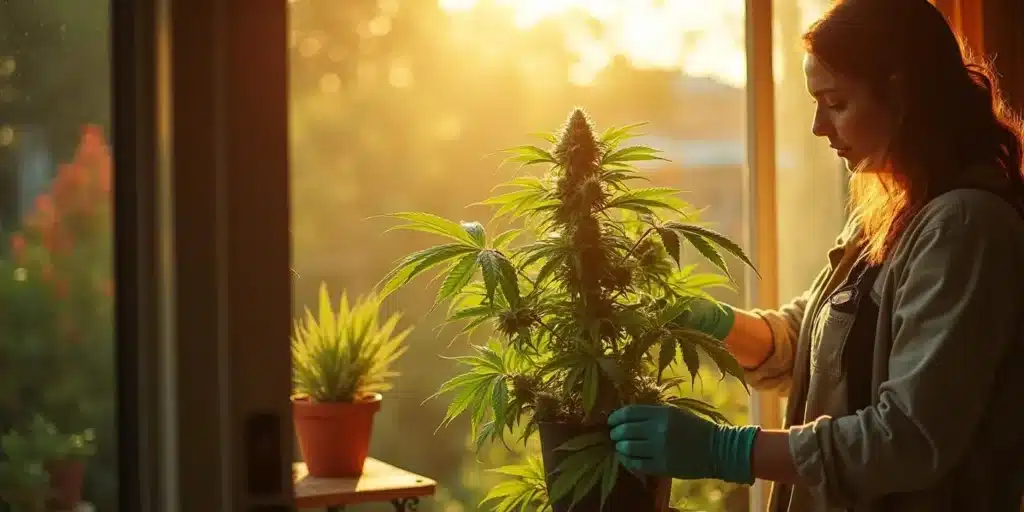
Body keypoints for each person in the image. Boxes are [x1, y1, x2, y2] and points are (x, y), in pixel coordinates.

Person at [607, 0, 1024, 510]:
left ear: (902, 90)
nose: (818, 127)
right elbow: (809, 345)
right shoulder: (891, 210)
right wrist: (713, 325)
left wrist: (726, 450)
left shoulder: (964, 227)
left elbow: (909, 438)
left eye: (836, 102)